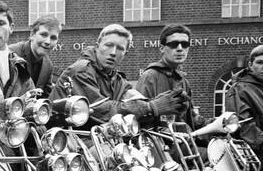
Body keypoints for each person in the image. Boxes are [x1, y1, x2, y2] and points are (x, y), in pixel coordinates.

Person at [50, 24, 186, 126]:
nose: (113, 52)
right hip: (67, 140)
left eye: (120, 48)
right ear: (97, 46)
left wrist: (160, 103)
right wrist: (152, 107)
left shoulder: (117, 79)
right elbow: (100, 110)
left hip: (97, 138)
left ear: (125, 54)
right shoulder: (81, 71)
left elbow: (133, 97)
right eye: (108, 45)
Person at [135, 23, 200, 129]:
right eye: (174, 44)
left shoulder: (183, 81)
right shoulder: (150, 76)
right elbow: (140, 115)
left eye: (184, 44)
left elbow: (190, 118)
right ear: (162, 48)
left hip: (182, 141)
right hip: (158, 141)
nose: (180, 48)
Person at [9, 15, 59, 97]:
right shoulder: (11, 54)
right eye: (43, 35)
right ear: (32, 35)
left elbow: (46, 98)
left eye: (53, 38)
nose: (48, 42)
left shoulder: (48, 65)